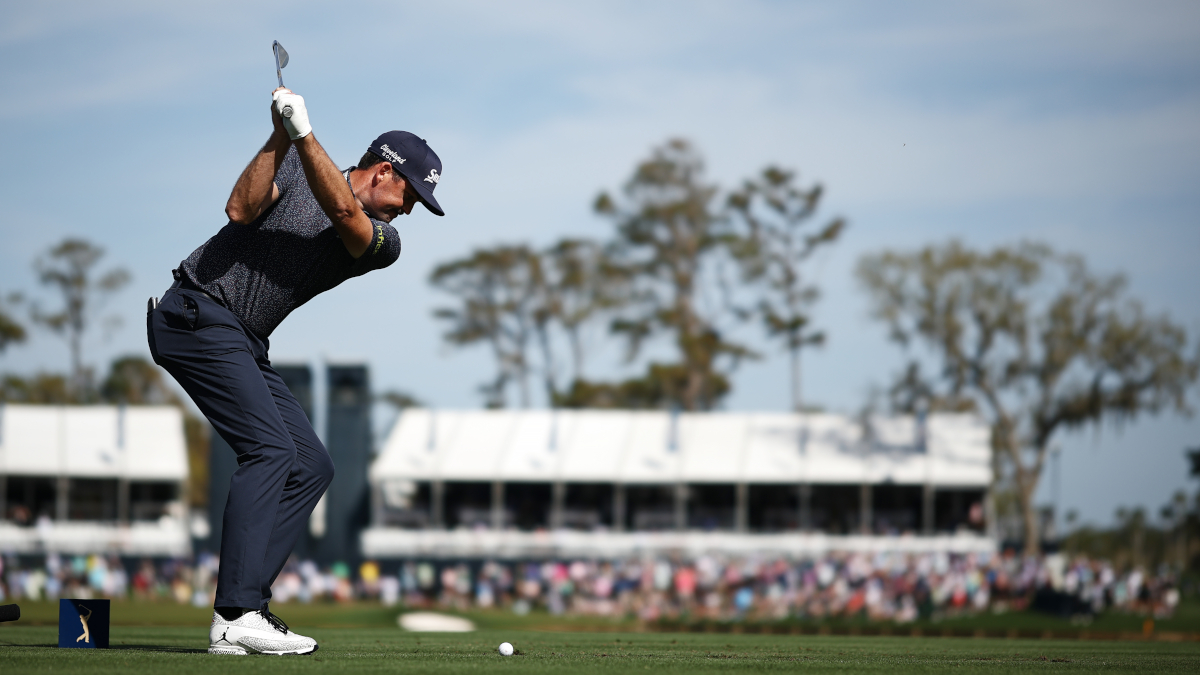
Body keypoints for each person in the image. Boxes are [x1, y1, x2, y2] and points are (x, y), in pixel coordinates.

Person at [147, 87, 444, 655]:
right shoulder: (296, 163)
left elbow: (343, 213)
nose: (410, 211)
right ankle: (236, 611)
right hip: (196, 313)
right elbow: (240, 209)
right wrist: (280, 133)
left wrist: (304, 133)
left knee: (312, 465)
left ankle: (244, 612)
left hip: (242, 338)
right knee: (271, 451)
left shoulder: (385, 242)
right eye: (412, 195)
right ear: (385, 171)